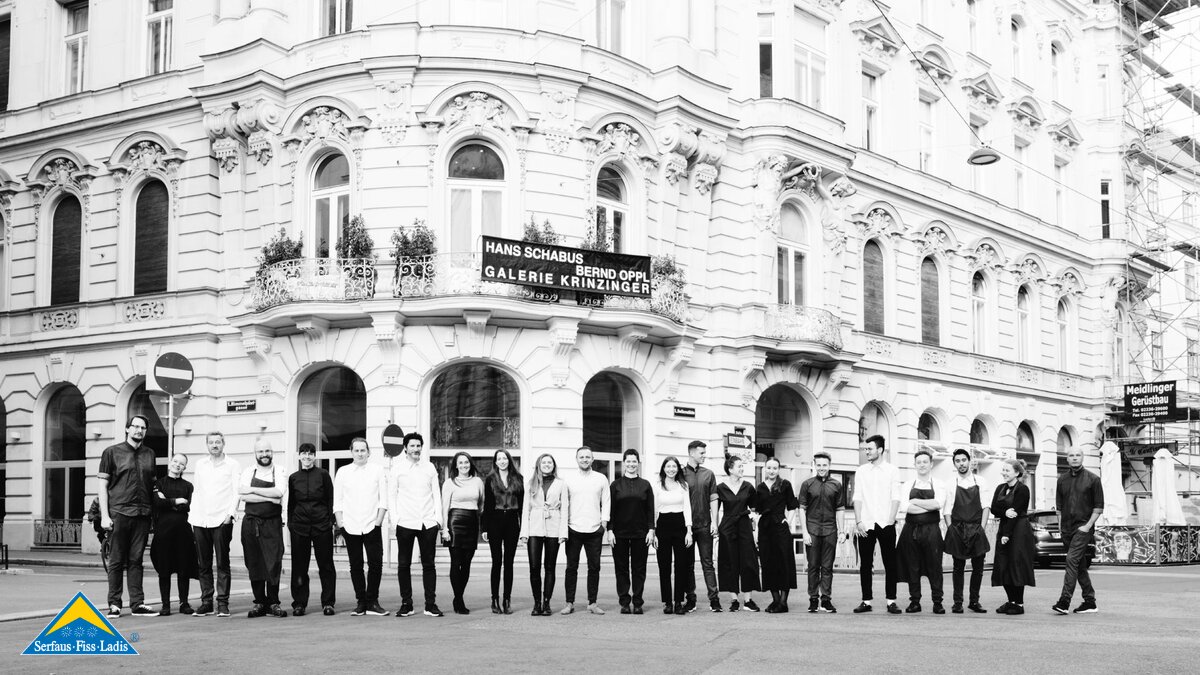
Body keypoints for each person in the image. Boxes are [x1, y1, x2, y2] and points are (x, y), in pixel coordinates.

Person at [97, 415, 158, 618]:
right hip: (119, 513)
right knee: (116, 560)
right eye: (135, 426)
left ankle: (137, 603)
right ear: (127, 429)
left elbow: (152, 485)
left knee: (136, 560)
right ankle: (114, 604)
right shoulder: (111, 452)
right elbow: (102, 486)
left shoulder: (150, 454)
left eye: (143, 427)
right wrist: (104, 516)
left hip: (143, 514)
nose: (139, 430)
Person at [389, 432, 444, 618]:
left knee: (429, 565)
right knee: (404, 564)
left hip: (427, 523)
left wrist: (438, 520)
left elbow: (436, 494)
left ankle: (430, 604)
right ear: (405, 448)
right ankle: (407, 604)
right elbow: (392, 495)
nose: (416, 449)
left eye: (418, 446)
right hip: (405, 522)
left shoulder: (429, 467)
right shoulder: (397, 469)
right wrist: (395, 520)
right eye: (412, 446)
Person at [334, 437, 389, 617]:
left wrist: (378, 522)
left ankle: (372, 601)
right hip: (350, 526)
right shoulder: (343, 472)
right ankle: (361, 602)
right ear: (351, 452)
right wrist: (341, 523)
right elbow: (337, 501)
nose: (360, 454)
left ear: (368, 452)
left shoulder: (377, 470)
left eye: (363, 450)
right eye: (356, 450)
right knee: (355, 566)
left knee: (376, 564)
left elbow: (383, 499)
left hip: (372, 524)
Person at [189, 430, 240, 618]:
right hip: (201, 519)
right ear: (207, 445)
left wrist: (230, 514)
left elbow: (237, 491)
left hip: (221, 519)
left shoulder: (232, 464)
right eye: (211, 442)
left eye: (218, 442)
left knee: (222, 563)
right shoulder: (200, 464)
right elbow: (197, 491)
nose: (215, 445)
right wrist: (193, 515)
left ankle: (223, 604)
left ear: (223, 444)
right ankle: (206, 603)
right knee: (203, 564)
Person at [852, 434, 902, 614]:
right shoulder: (861, 471)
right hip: (866, 524)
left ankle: (891, 601)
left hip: (885, 523)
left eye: (870, 449)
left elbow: (896, 496)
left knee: (890, 563)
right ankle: (866, 601)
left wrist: (891, 519)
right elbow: (857, 497)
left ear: (880, 450)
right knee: (865, 564)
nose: (866, 452)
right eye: (865, 449)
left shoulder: (892, 470)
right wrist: (858, 521)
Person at [240, 438, 288, 618]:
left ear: (272, 452)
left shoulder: (280, 470)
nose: (264, 454)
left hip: (272, 523)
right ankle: (259, 602)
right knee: (254, 562)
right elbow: (244, 495)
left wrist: (253, 490)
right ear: (255, 453)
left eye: (267, 451)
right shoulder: (248, 471)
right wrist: (269, 498)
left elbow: (279, 492)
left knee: (273, 562)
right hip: (251, 524)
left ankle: (273, 603)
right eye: (260, 451)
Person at [1053, 447, 1104, 615]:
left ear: (1082, 458)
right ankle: (1090, 602)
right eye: (1071, 455)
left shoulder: (1093, 479)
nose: (1074, 458)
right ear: (1067, 459)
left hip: (1082, 528)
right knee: (1079, 565)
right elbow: (1059, 508)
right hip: (1066, 529)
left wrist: (1087, 526)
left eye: (1077, 455)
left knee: (1071, 560)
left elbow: (1098, 507)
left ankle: (1064, 601)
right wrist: (1060, 527)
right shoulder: (1062, 480)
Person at [895, 449, 947, 614]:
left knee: (935, 567)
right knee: (913, 567)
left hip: (932, 531)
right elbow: (905, 507)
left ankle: (937, 602)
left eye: (925, 462)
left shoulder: (939, 484)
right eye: (919, 462)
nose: (922, 465)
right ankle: (915, 602)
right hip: (910, 530)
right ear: (915, 465)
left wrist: (915, 501)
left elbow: (938, 504)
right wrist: (928, 507)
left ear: (931, 464)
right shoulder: (907, 484)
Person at [287, 443, 335, 617]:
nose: (307, 456)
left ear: (315, 456)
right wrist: (291, 524)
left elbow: (330, 498)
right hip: (300, 526)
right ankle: (299, 603)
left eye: (310, 453)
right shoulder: (293, 478)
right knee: (299, 566)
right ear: (299, 456)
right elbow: (291, 503)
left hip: (321, 525)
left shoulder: (323, 475)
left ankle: (328, 603)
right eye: (304, 453)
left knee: (326, 565)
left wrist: (330, 521)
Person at [561, 446, 610, 615]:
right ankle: (569, 603)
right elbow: (564, 503)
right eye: (581, 457)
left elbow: (606, 502)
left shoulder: (601, 478)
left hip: (594, 529)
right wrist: (564, 527)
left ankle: (592, 603)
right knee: (571, 568)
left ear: (592, 459)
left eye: (587, 457)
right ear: (576, 459)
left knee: (594, 567)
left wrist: (604, 524)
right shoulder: (568, 479)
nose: (584, 459)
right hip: (573, 528)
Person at [520, 453, 569, 616]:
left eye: (550, 462)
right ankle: (537, 603)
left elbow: (565, 509)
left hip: (553, 527)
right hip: (534, 527)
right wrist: (524, 533)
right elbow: (525, 509)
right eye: (544, 462)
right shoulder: (530, 483)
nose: (547, 465)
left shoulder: (561, 484)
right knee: (534, 567)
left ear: (553, 466)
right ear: (538, 465)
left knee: (550, 567)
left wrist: (563, 532)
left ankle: (546, 603)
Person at [943, 448, 990, 614]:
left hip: (977, 528)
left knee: (978, 568)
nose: (961, 463)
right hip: (957, 528)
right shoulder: (950, 483)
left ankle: (974, 601)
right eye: (957, 461)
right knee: (958, 568)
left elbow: (986, 506)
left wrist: (981, 529)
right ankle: (957, 603)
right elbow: (947, 510)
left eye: (964, 460)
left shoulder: (981, 481)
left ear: (969, 461)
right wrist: (951, 529)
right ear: (954, 464)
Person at [151, 453, 198, 616]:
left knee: (183, 569)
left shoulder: (188, 486)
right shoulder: (159, 483)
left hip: (183, 533)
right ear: (170, 462)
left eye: (181, 463)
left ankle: (184, 603)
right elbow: (158, 503)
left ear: (185, 467)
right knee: (164, 569)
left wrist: (167, 501)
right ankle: (165, 605)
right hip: (163, 532)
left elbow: (189, 506)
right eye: (175, 461)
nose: (177, 465)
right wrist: (177, 501)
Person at [609, 449, 655, 614]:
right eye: (628, 461)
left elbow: (650, 509)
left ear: (638, 463)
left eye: (634, 461)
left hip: (640, 533)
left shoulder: (645, 485)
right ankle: (624, 602)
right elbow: (610, 510)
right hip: (619, 533)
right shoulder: (615, 485)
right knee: (621, 568)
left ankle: (637, 602)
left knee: (639, 569)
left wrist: (651, 530)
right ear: (624, 463)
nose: (631, 464)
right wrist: (610, 530)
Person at [798, 451, 845, 613]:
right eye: (818, 465)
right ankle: (813, 599)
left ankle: (826, 599)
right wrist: (804, 532)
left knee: (827, 567)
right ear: (814, 465)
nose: (821, 468)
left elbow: (840, 509)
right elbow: (802, 509)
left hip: (830, 530)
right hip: (812, 530)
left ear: (829, 465)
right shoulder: (807, 484)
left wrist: (842, 531)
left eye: (824, 465)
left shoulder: (836, 485)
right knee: (813, 566)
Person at [715, 455, 760, 612]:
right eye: (739, 466)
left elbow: (755, 508)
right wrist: (715, 527)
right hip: (727, 526)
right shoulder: (720, 488)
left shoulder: (748, 486)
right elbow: (714, 509)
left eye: (742, 466)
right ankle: (734, 599)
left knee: (748, 561)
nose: (742, 469)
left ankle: (748, 600)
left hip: (744, 525)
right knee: (729, 562)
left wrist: (755, 522)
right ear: (730, 469)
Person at [991, 459, 1036, 615]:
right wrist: (1004, 512)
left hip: (1018, 530)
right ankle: (1011, 601)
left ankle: (1019, 604)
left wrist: (1007, 534)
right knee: (1003, 565)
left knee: (1017, 565)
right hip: (1004, 526)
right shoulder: (1000, 488)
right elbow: (994, 509)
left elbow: (1015, 513)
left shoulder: (1023, 489)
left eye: (1007, 470)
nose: (1004, 473)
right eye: (1003, 470)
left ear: (1017, 473)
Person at [482, 449, 524, 614]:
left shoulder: (518, 478)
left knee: (509, 562)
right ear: (495, 462)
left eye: (504, 458)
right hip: (495, 521)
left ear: (509, 460)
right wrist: (484, 527)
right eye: (499, 459)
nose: (502, 461)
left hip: (512, 521)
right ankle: (494, 599)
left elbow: (522, 505)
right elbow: (487, 504)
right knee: (496, 561)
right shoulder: (490, 479)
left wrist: (523, 528)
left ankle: (507, 600)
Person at [442, 452, 485, 615]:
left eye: (466, 462)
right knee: (456, 562)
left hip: (472, 521)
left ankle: (458, 597)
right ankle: (458, 599)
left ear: (470, 464)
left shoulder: (478, 481)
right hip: (455, 521)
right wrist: (445, 529)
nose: (464, 465)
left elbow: (482, 503)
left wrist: (479, 522)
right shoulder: (449, 483)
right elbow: (444, 506)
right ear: (456, 465)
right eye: (460, 463)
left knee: (466, 563)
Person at [756, 457, 798, 613]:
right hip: (765, 529)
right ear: (765, 469)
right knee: (768, 563)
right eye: (769, 468)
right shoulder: (760, 487)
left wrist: (788, 521)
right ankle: (775, 600)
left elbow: (793, 506)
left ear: (779, 469)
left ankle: (783, 602)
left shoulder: (785, 485)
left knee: (784, 563)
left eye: (775, 468)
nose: (771, 471)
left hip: (780, 528)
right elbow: (757, 510)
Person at [682, 440, 719, 613]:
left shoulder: (708, 474)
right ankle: (691, 599)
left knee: (708, 563)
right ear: (691, 453)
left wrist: (715, 523)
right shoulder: (681, 474)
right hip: (686, 528)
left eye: (704, 452)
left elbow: (714, 499)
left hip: (705, 525)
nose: (704, 455)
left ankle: (714, 599)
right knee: (687, 564)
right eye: (701, 453)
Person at [652, 456, 692, 615]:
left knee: (681, 565)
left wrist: (689, 531)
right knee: (664, 566)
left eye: (674, 466)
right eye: (668, 466)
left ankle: (678, 602)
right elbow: (654, 510)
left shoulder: (683, 485)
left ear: (678, 469)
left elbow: (687, 508)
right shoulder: (657, 486)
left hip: (680, 525)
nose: (671, 469)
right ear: (663, 469)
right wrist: (654, 532)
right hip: (662, 525)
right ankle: (667, 602)